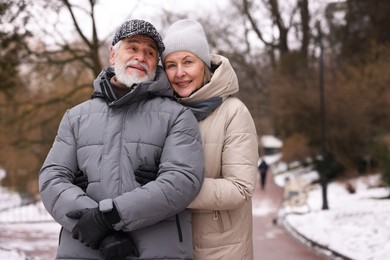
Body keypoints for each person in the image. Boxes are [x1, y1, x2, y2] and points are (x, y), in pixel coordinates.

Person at [38, 19, 204, 260]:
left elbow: (182, 179)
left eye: (149, 52)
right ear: (113, 55)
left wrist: (109, 216)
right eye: (132, 47)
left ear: (155, 64)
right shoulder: (75, 117)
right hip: (84, 248)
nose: (140, 56)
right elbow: (52, 178)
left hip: (158, 250)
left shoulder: (177, 116)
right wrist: (98, 229)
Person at [152, 19, 258, 259]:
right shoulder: (162, 113)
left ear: (204, 65)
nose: (179, 73)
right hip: (170, 244)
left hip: (221, 248)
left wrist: (171, 189)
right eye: (171, 65)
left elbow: (240, 189)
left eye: (188, 62)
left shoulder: (233, 112)